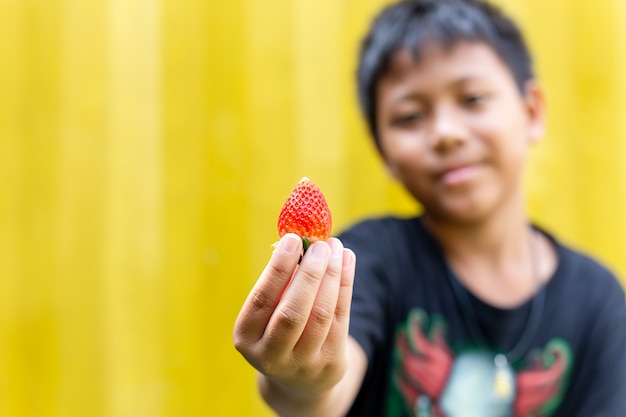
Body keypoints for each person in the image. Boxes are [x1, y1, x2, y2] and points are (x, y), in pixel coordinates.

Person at [233, 0, 626, 416]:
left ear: (531, 112)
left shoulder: (597, 300)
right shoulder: (371, 259)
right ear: (382, 152)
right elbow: (323, 395)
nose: (445, 133)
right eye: (410, 117)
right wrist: (300, 381)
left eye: (472, 99)